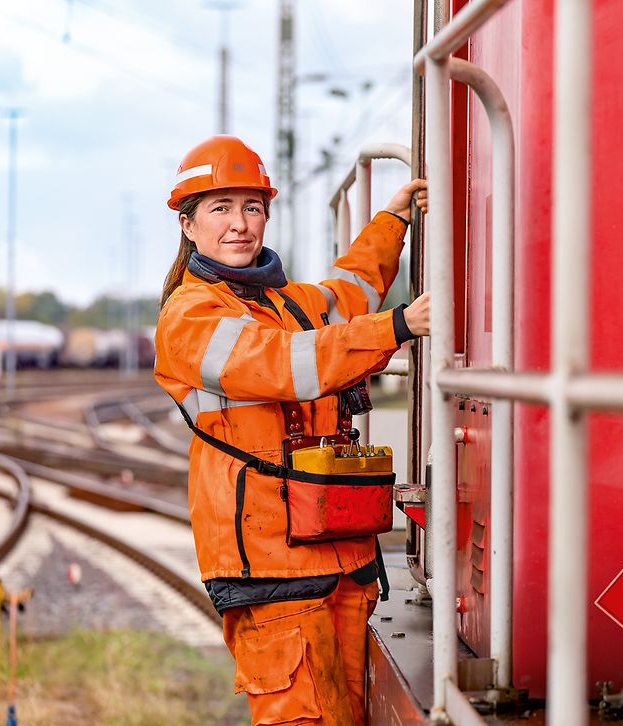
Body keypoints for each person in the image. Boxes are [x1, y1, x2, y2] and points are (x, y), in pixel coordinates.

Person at [154, 135, 428, 726]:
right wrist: (398, 326)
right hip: (270, 568)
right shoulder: (189, 316)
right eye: (220, 208)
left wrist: (392, 219)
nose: (239, 224)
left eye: (252, 207)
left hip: (338, 553)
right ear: (188, 226)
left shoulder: (286, 303)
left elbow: (348, 294)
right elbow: (282, 365)